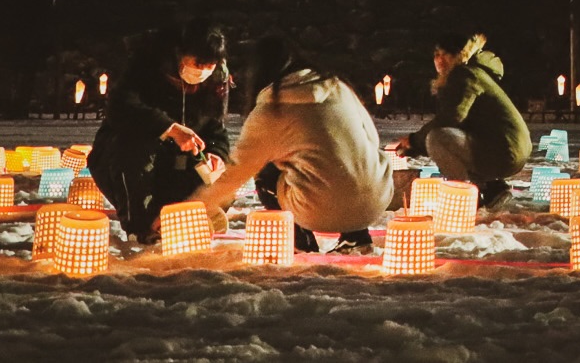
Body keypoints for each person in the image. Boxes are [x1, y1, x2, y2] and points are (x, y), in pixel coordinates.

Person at [193, 36, 394, 256]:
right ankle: (357, 238)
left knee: (265, 170)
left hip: (317, 210)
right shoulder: (339, 88)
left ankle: (301, 240)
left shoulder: (272, 110)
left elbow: (235, 172)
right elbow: (371, 140)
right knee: (348, 160)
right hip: (377, 200)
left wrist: (195, 207)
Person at [88, 20, 232, 242]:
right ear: (179, 54)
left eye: (209, 66)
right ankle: (146, 225)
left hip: (179, 168)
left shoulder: (214, 82)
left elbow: (216, 130)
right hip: (130, 163)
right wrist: (170, 128)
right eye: (198, 63)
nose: (202, 72)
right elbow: (120, 109)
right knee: (135, 151)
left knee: (226, 176)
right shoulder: (145, 68)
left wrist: (217, 155)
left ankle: (189, 215)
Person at [393, 32, 530, 211]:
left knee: (438, 138)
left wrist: (414, 141)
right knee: (448, 139)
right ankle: (492, 189)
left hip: (505, 150)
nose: (440, 60)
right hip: (506, 148)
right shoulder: (470, 73)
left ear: (459, 55)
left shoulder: (465, 75)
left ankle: (462, 198)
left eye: (446, 54)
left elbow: (451, 118)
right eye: (436, 55)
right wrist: (416, 145)